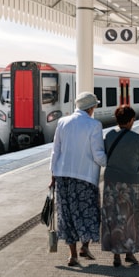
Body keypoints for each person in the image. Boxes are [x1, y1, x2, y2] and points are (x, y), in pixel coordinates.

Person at [50, 91, 107, 267]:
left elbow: (55, 150)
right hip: (85, 178)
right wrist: (110, 163)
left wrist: (53, 174)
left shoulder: (62, 122)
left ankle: (72, 255)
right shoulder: (94, 125)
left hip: (63, 176)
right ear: (91, 108)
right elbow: (98, 154)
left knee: (66, 215)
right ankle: (84, 246)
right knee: (87, 213)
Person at [101, 105, 139, 268]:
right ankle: (129, 253)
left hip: (110, 183)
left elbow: (105, 155)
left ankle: (116, 255)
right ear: (130, 121)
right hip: (131, 184)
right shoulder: (138, 139)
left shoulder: (109, 136)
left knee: (113, 217)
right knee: (131, 218)